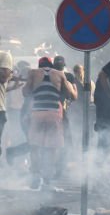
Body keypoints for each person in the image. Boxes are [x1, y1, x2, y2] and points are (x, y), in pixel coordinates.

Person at [23, 57, 77, 188]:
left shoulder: (33, 73)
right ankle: (47, 178)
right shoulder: (60, 74)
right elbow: (73, 96)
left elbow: (25, 92)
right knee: (52, 147)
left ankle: (36, 175)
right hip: (54, 114)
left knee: (35, 146)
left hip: (37, 113)